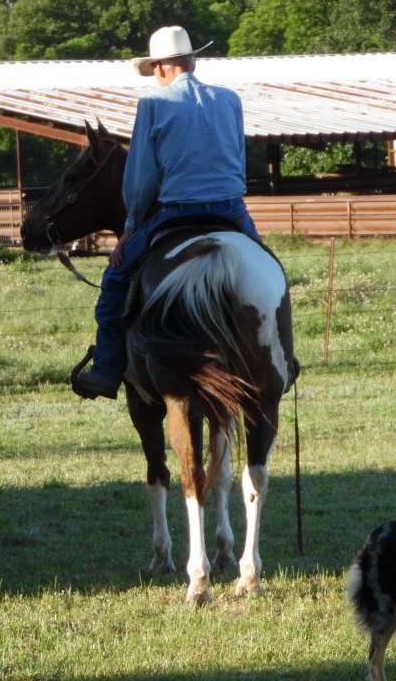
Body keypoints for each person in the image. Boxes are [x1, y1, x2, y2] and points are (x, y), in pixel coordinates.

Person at [73, 25, 262, 400]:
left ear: (160, 68)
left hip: (178, 212)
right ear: (192, 61)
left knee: (115, 281)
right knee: (268, 270)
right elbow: (237, 157)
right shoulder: (230, 99)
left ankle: (108, 368)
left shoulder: (154, 105)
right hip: (231, 209)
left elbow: (142, 176)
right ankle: (279, 360)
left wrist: (130, 228)